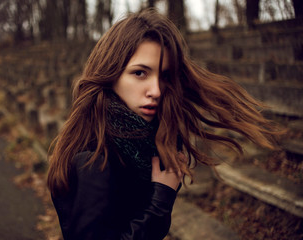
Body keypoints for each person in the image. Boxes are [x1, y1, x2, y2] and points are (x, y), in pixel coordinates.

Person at [47, 8, 280, 240]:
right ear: (111, 74)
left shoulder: (139, 145)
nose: (156, 91)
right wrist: (161, 199)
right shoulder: (96, 157)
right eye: (140, 73)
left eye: (165, 76)